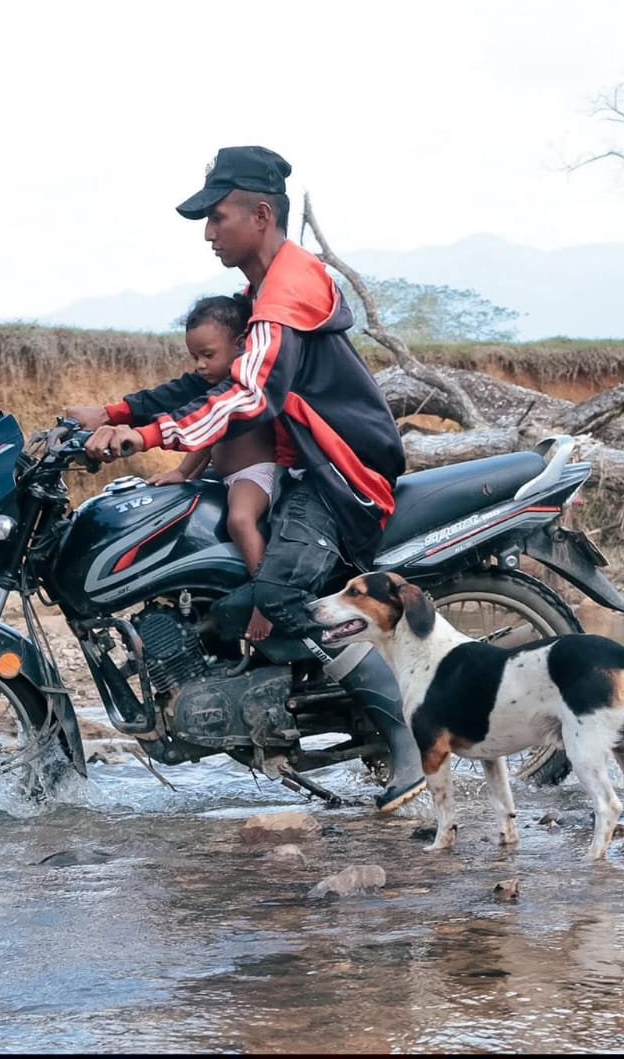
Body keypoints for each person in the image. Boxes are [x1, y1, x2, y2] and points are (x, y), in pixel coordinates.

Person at [66, 145, 424, 811]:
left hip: (339, 475)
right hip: (301, 467)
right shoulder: (258, 295)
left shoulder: (287, 292)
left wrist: (143, 436)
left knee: (281, 592)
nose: (208, 232)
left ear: (261, 215)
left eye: (217, 217)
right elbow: (203, 379)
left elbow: (246, 396)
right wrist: (114, 410)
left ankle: (405, 743)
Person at [148, 293, 277, 641]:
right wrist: (182, 473)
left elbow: (209, 433)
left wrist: (184, 470)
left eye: (208, 355)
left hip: (255, 473)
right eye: (195, 357)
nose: (200, 365)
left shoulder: (243, 390)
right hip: (224, 476)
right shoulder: (216, 388)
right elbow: (206, 442)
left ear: (239, 345)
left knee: (240, 520)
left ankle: (266, 602)